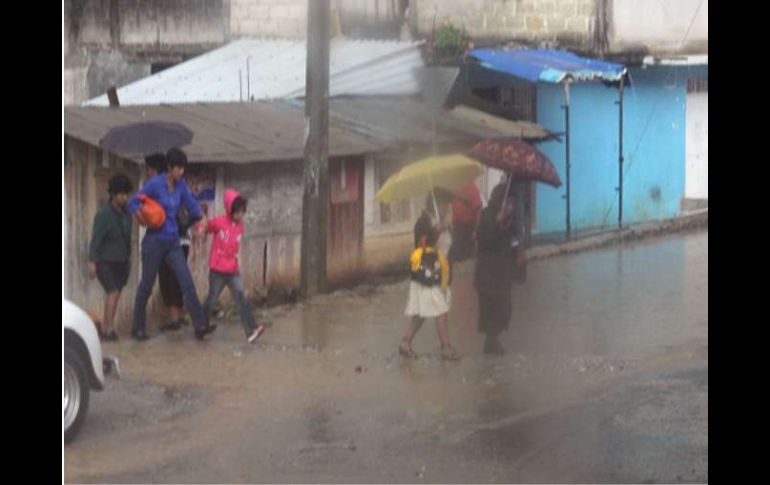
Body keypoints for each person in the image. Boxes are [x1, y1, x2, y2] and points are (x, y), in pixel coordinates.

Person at [128, 148, 216, 341]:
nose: (181, 172)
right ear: (169, 168)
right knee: (147, 285)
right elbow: (133, 201)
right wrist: (140, 217)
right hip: (153, 243)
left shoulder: (181, 186)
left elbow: (193, 206)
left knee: (186, 281)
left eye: (183, 169)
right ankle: (138, 328)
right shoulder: (155, 184)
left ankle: (200, 325)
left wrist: (201, 219)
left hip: (173, 242)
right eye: (178, 168)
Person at [198, 189, 267, 344]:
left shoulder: (240, 226)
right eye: (238, 212)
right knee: (211, 299)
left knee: (242, 298)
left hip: (232, 269)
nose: (240, 215)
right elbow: (206, 227)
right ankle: (200, 325)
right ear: (230, 209)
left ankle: (251, 331)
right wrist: (201, 230)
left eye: (242, 212)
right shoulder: (219, 222)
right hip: (217, 269)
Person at [399, 197, 459, 361]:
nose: (447, 207)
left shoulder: (443, 223)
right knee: (441, 309)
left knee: (422, 313)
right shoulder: (423, 223)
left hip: (442, 273)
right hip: (428, 273)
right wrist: (437, 230)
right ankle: (445, 347)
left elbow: (449, 248)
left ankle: (405, 343)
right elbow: (422, 247)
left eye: (447, 204)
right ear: (435, 204)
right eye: (444, 203)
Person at [474, 182, 525, 355]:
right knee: (491, 308)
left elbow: (512, 240)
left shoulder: (509, 220)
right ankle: (491, 342)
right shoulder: (488, 216)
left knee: (504, 308)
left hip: (502, 272)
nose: (511, 206)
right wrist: (497, 222)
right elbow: (483, 240)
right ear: (500, 200)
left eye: (512, 202)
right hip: (488, 273)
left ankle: (493, 341)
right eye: (508, 202)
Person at [88, 173, 134, 341]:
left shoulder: (127, 214)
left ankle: (109, 326)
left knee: (116, 293)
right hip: (105, 260)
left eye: (126, 194)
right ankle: (107, 329)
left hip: (121, 260)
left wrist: (128, 259)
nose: (124, 197)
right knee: (113, 292)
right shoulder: (104, 215)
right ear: (114, 195)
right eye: (121, 194)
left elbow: (127, 237)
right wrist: (92, 261)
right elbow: (96, 238)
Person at [448, 182, 482, 264]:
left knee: (468, 258)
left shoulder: (471, 187)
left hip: (469, 227)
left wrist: (476, 230)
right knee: (454, 258)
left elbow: (478, 209)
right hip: (457, 227)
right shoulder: (453, 188)